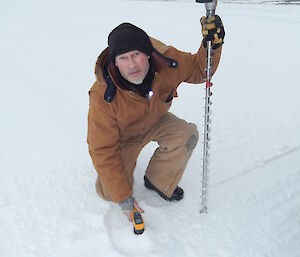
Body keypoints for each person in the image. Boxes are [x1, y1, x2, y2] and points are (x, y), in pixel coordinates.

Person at [87, 16, 225, 221]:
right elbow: (102, 149)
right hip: (123, 137)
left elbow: (199, 70)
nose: (132, 64)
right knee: (110, 192)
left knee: (186, 134)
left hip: (154, 120)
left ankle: (158, 180)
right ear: (115, 62)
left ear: (149, 54)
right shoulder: (102, 95)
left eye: (137, 54)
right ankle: (121, 182)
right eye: (123, 58)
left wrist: (212, 46)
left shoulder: (168, 62)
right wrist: (123, 197)